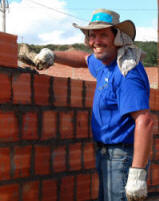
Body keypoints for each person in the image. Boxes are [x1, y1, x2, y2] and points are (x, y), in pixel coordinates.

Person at [27, 9, 154, 201]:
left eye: (103, 34)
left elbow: (145, 121)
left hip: (122, 156)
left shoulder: (126, 71)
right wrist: (52, 55)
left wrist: (137, 173)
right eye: (92, 36)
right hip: (107, 153)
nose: (96, 41)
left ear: (117, 38)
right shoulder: (105, 64)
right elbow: (84, 59)